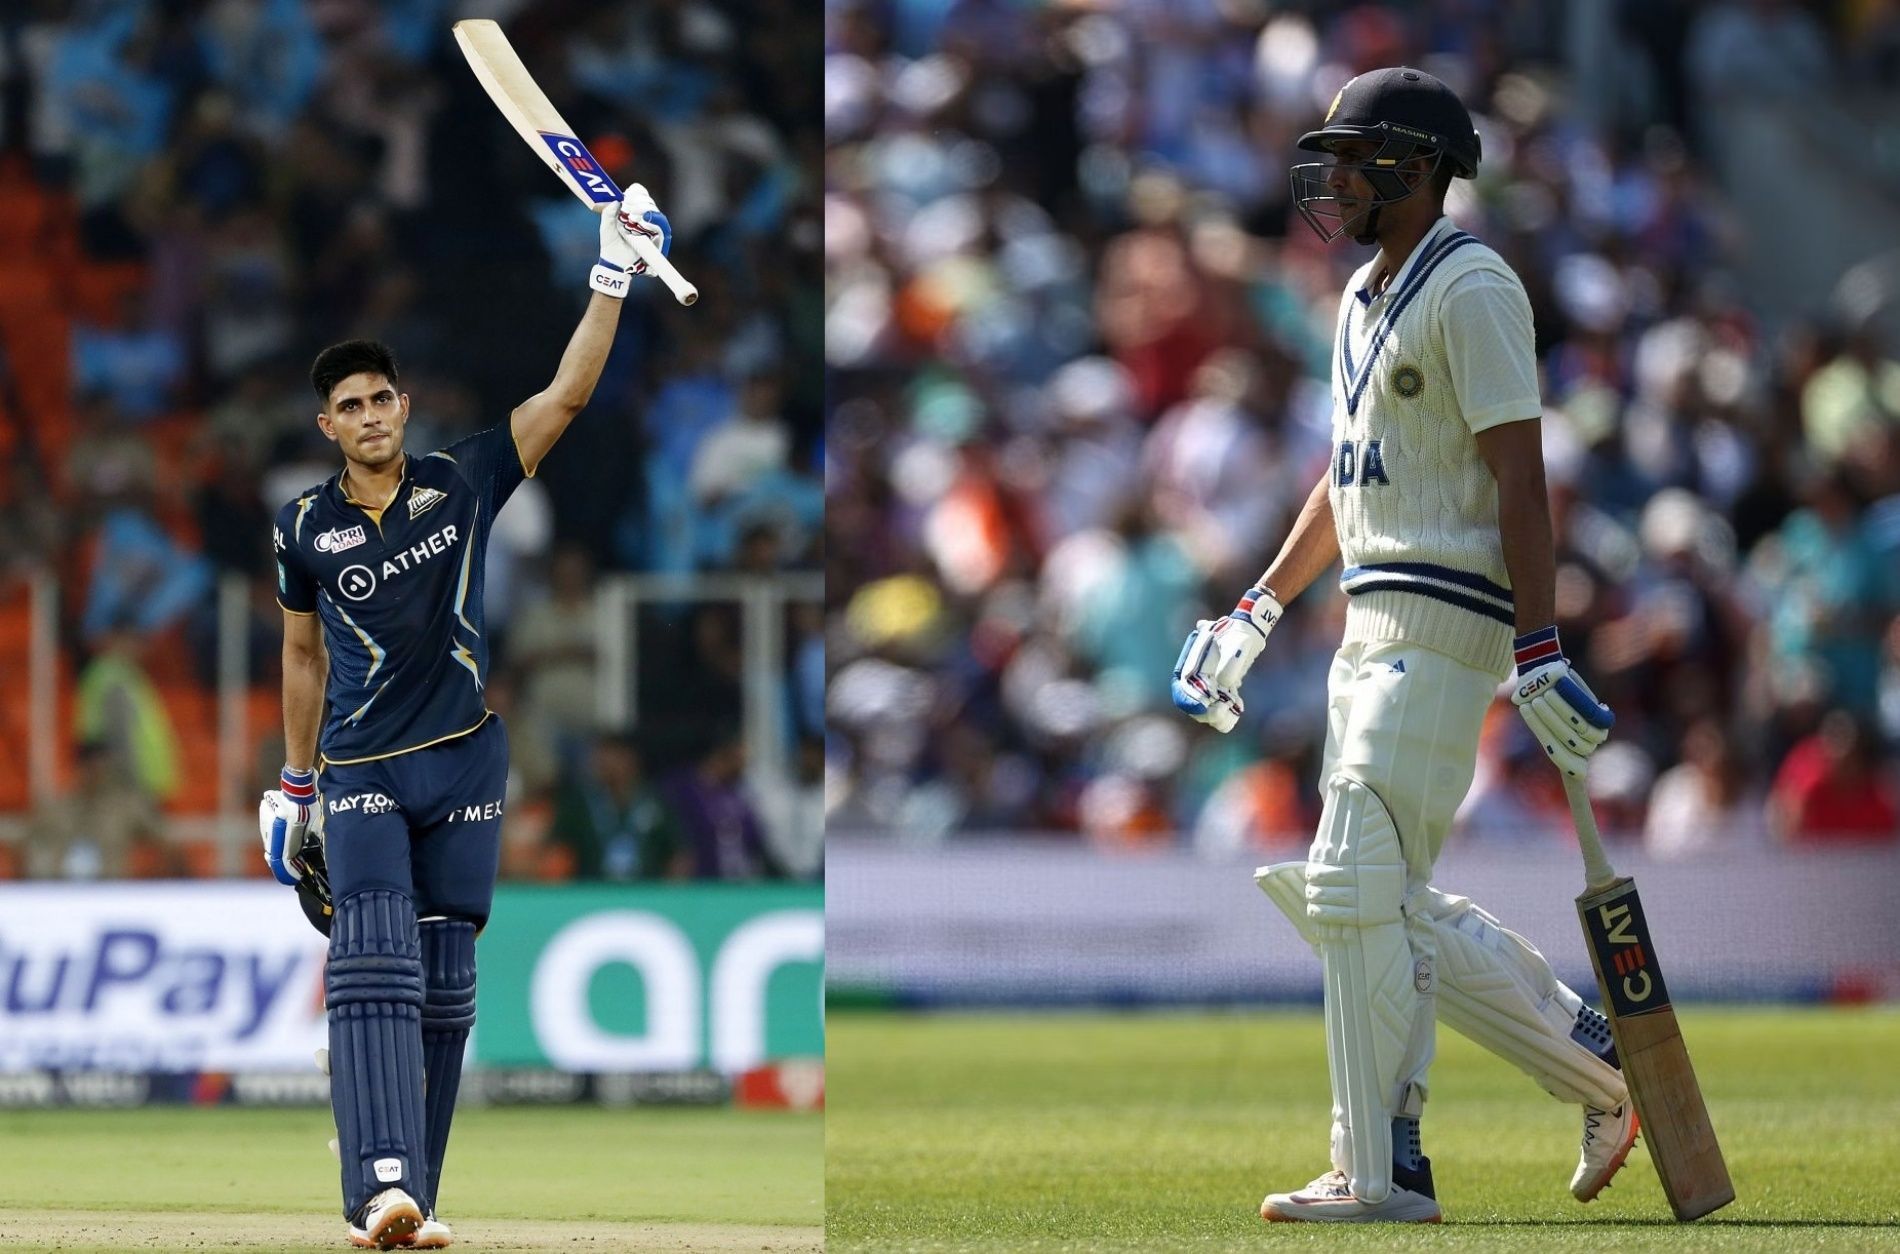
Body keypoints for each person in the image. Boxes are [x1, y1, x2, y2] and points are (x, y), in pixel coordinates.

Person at [1170, 68, 1630, 1224]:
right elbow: (1343, 479)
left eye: (1353, 155)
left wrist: (1538, 644)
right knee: (1373, 897)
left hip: (1447, 614)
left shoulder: (1472, 286)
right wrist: (1257, 607)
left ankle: (1380, 1170)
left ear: (1417, 167)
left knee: (1349, 880)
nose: (1329, 177)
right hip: (1366, 620)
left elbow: (1519, 474)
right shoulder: (1359, 300)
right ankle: (1588, 1055)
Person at [256, 185, 674, 1250]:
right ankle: (377, 1185)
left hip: (465, 763)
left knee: (446, 985)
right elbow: (301, 654)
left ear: (403, 405)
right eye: (348, 407)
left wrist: (611, 274)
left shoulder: (465, 480)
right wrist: (294, 781)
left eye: (380, 399)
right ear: (328, 425)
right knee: (379, 959)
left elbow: (567, 398)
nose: (368, 417)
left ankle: (416, 1205)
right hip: (360, 767)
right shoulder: (304, 527)